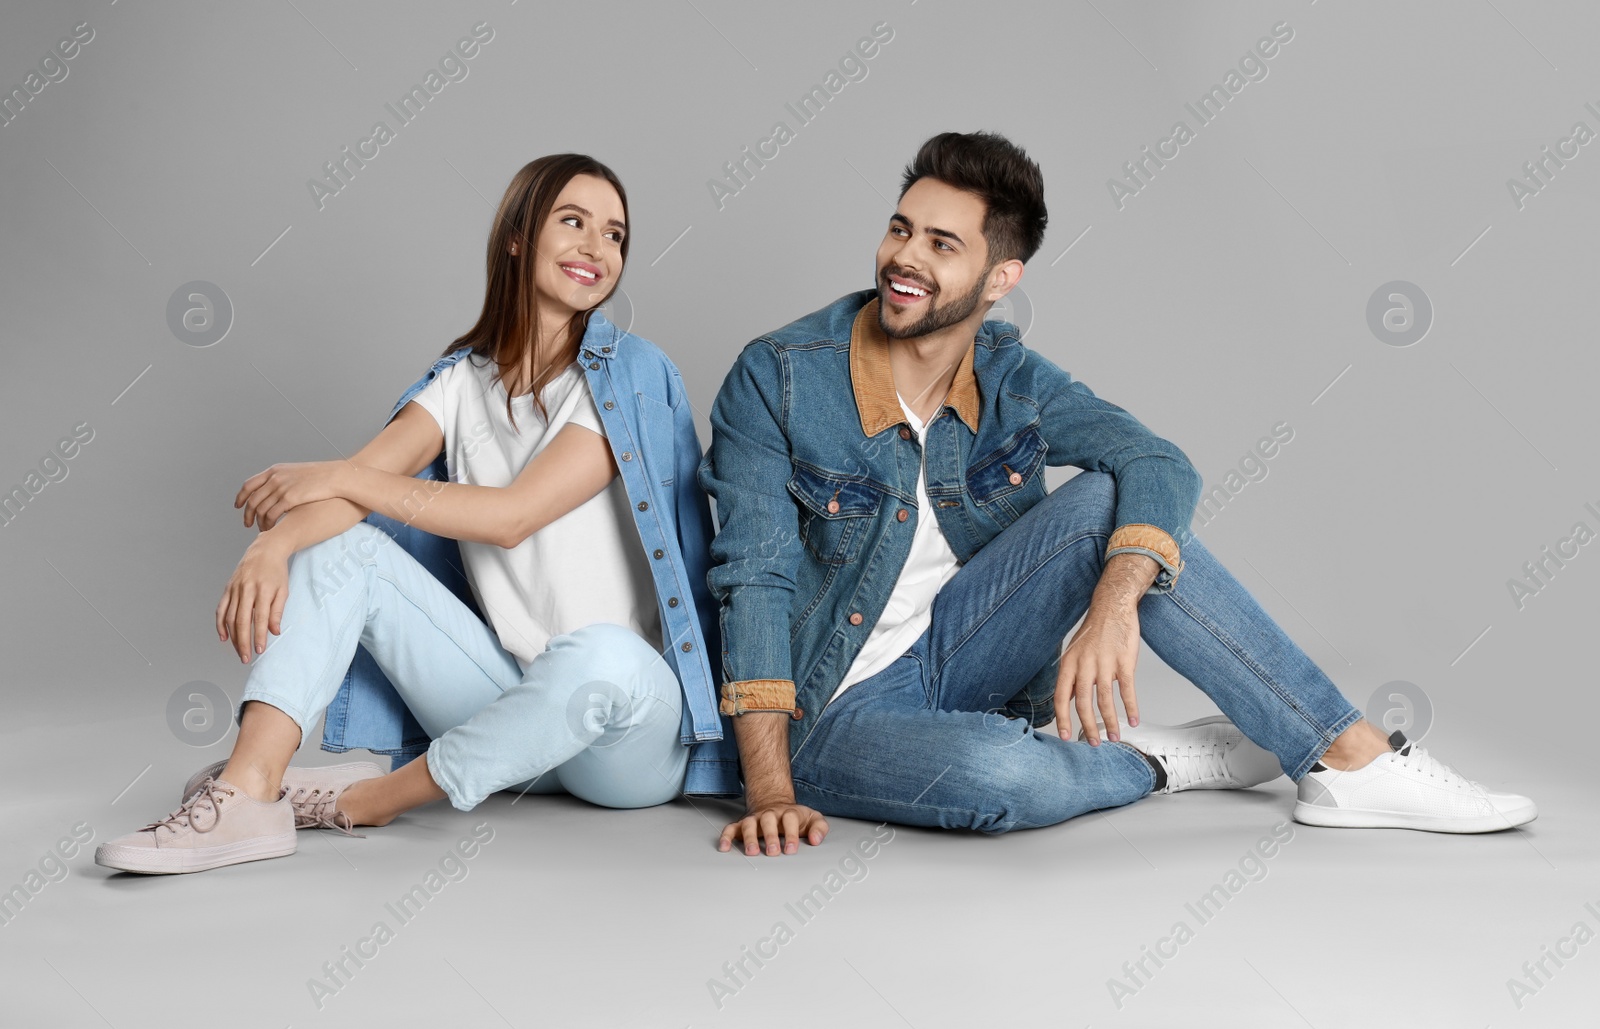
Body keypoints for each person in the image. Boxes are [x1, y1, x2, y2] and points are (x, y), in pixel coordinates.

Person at [697, 130, 1537, 857]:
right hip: (826, 708)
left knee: (1116, 502)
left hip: (955, 654)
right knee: (1003, 776)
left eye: (942, 245)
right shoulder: (779, 378)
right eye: (900, 229)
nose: (905, 258)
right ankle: (1159, 761)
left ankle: (1342, 754)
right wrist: (769, 787)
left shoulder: (1011, 375)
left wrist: (1115, 604)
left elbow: (1158, 461)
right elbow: (754, 581)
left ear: (1000, 278)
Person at [97, 153, 738, 875]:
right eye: (573, 221)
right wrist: (271, 546)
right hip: (509, 708)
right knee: (341, 550)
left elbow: (511, 516)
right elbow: (352, 496)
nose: (597, 247)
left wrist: (342, 476)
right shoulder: (461, 381)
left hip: (627, 739)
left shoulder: (632, 373)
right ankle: (248, 791)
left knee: (602, 653)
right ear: (519, 236)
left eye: (615, 234)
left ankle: (374, 798)